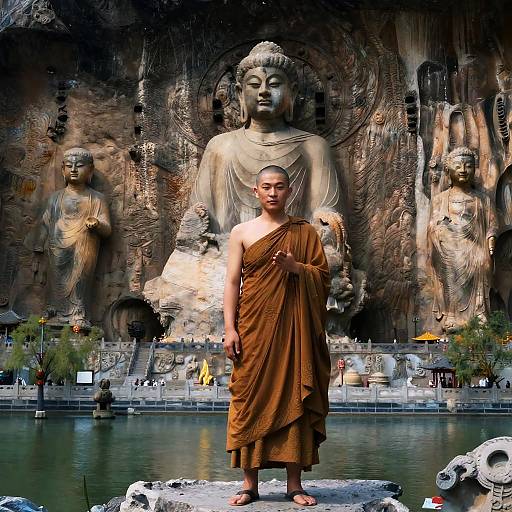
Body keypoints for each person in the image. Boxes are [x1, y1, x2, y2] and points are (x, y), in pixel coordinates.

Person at [223, 165, 330, 506]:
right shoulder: (241, 232)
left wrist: (297, 269)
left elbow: (323, 277)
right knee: (248, 399)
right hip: (253, 328)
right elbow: (232, 283)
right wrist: (229, 328)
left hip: (293, 331)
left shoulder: (305, 233)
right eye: (266, 187)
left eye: (279, 187)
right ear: (255, 191)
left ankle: (294, 484)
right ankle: (248, 484)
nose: (273, 193)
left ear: (289, 191)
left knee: (294, 397)